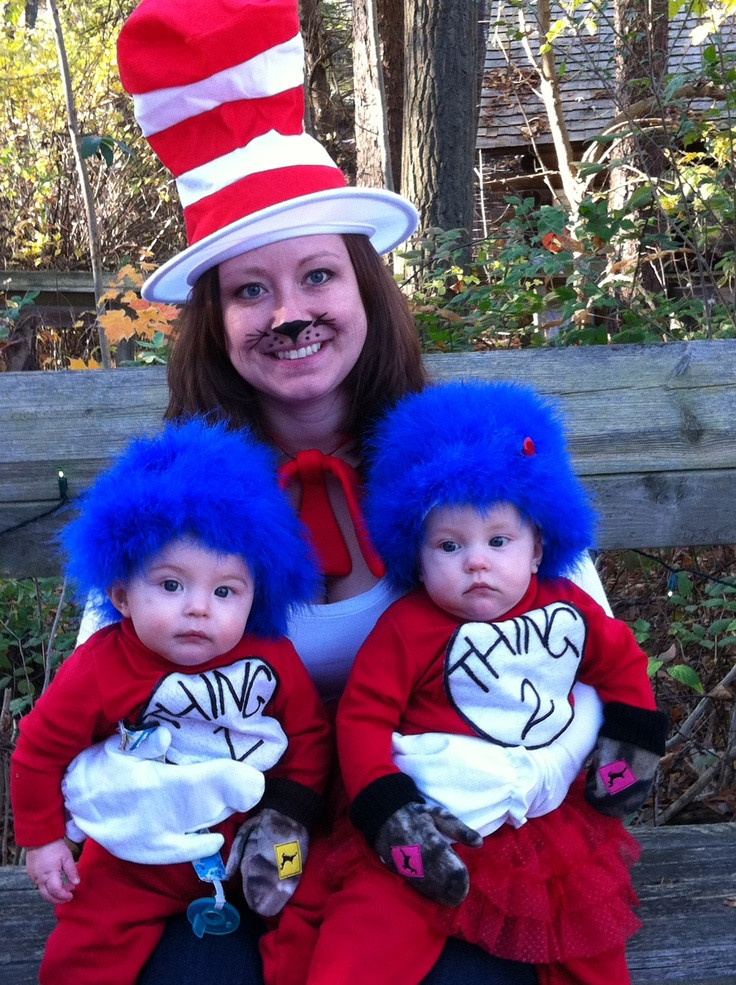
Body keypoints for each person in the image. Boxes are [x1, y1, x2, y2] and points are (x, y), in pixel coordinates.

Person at [60, 1, 616, 983]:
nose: (291, 314)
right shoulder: (179, 498)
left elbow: (578, 639)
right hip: (233, 840)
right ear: (215, 322)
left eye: (317, 276)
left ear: (365, 293)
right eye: (250, 291)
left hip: (438, 829)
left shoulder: (468, 464)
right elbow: (99, 679)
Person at [292, 381, 668, 985]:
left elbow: (621, 663)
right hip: (431, 818)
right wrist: (387, 807)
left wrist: (632, 741)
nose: (476, 562)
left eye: (499, 541)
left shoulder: (567, 610)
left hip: (541, 826)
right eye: (449, 544)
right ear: (416, 558)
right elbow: (363, 717)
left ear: (539, 546)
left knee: (583, 932)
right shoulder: (407, 629)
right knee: (369, 932)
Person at [10, 418, 332, 985]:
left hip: (255, 838)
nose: (199, 608)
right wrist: (43, 841)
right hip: (137, 850)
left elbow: (307, 736)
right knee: (87, 937)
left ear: (257, 595)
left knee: (308, 897)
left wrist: (290, 815)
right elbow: (38, 750)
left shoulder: (271, 657)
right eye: (171, 585)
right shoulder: (102, 667)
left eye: (225, 590)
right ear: (121, 596)